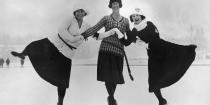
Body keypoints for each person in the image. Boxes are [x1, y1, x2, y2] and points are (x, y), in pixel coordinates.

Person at [10, 6, 115, 105]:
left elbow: (97, 36)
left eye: (81, 11)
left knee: (63, 80)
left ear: (85, 13)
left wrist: (109, 33)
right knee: (35, 45)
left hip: (67, 53)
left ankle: (60, 102)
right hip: (55, 43)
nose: (79, 13)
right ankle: (23, 54)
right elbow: (61, 30)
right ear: (74, 12)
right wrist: (75, 38)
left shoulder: (87, 26)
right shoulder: (70, 19)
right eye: (77, 11)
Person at [113, 8, 197, 105]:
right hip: (153, 56)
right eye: (133, 16)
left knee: (181, 55)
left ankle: (190, 51)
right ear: (132, 18)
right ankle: (161, 100)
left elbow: (155, 37)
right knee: (153, 80)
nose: (135, 17)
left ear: (141, 16)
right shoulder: (134, 30)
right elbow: (126, 42)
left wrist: (143, 43)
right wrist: (119, 32)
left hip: (164, 49)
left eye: (137, 15)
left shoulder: (149, 24)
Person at [81, 0, 133, 105]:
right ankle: (111, 97)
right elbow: (95, 28)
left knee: (115, 77)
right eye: (113, 3)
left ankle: (111, 96)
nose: (115, 5)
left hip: (119, 52)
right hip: (106, 50)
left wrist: (139, 33)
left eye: (116, 3)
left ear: (119, 5)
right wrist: (84, 34)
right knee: (108, 77)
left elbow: (129, 36)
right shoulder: (106, 18)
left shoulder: (126, 21)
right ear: (110, 5)